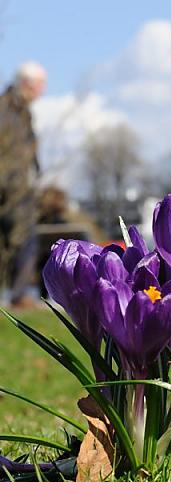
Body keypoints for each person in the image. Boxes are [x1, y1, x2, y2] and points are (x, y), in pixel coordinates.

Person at [0, 61, 47, 310]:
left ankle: (18, 294)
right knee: (23, 239)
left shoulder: (22, 111)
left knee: (23, 239)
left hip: (20, 188)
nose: (43, 90)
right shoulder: (6, 110)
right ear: (27, 84)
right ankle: (19, 295)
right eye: (41, 85)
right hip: (10, 190)